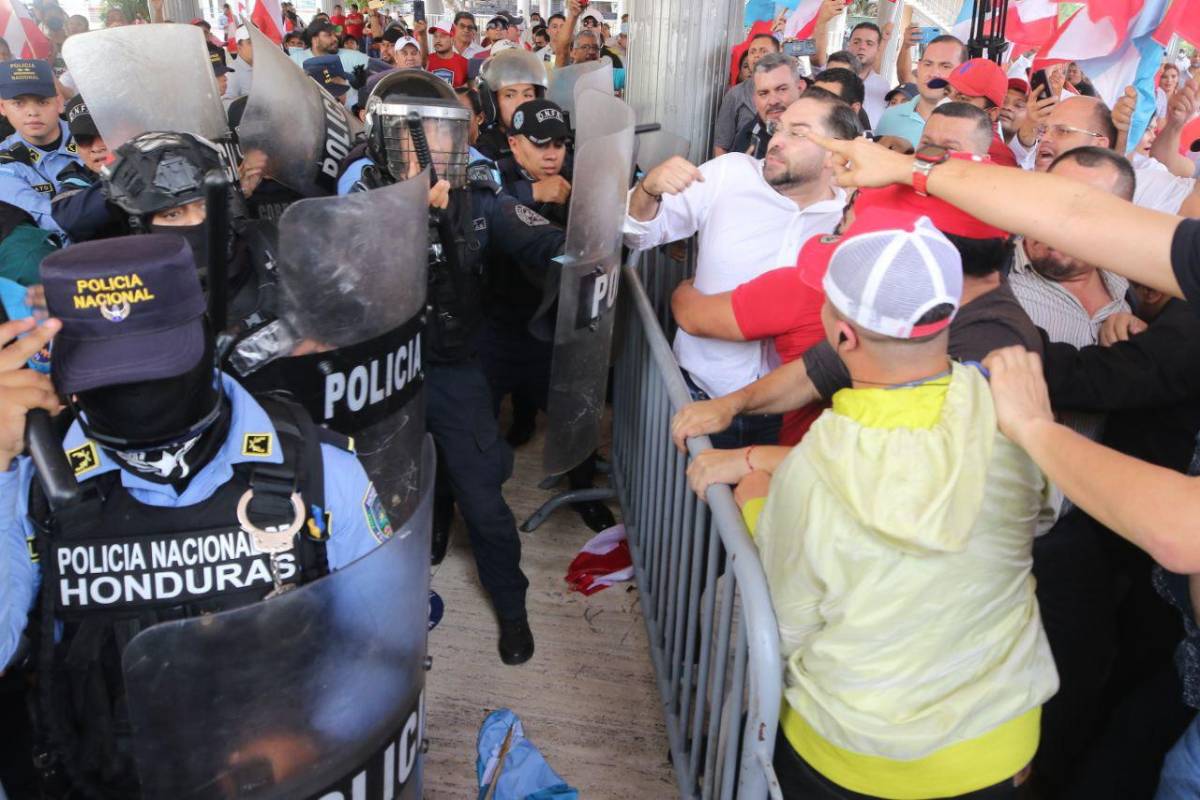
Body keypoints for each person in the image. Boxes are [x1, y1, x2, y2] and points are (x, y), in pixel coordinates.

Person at [0, 235, 394, 798]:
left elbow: (380, 645)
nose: (136, 393)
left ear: (204, 341)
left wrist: (319, 737)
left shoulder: (318, 469)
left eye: (154, 366)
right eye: (108, 376)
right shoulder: (30, 479)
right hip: (105, 775)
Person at [741, 207, 1056, 800]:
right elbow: (1042, 512)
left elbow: (786, 620)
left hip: (854, 753)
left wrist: (758, 504)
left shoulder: (813, 468)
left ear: (842, 335)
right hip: (997, 744)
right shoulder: (1015, 413)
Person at [341, 70, 571, 663]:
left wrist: (597, 236)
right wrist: (408, 217)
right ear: (383, 139)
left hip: (454, 367)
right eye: (414, 135)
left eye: (443, 134)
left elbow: (540, 242)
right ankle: (391, 599)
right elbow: (343, 278)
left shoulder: (479, 192)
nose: (431, 148)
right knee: (377, 500)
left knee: (486, 500)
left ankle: (513, 609)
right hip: (384, 376)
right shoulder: (359, 193)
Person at [625, 90, 854, 449]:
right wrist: (648, 189)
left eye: (798, 132)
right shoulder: (730, 174)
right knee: (687, 500)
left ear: (835, 153)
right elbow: (638, 234)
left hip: (796, 414)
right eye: (778, 128)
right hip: (700, 394)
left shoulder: (850, 222)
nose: (776, 140)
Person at [0, 59, 80, 237]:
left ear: (59, 103)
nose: (32, 112)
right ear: (2, 107)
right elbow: (45, 220)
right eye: (18, 103)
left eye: (42, 101)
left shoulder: (91, 139)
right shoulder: (4, 161)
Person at [874, 34, 966, 149]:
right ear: (919, 67)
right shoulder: (891, 116)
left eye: (945, 66)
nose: (933, 73)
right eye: (928, 64)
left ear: (963, 72)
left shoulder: (971, 125)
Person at [473, 48, 548, 161]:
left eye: (527, 95)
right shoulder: (486, 148)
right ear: (492, 101)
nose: (520, 103)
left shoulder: (549, 138)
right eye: (510, 95)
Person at [941, 57, 1019, 166]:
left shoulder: (998, 157)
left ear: (991, 114)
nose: (947, 103)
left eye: (963, 99)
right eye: (946, 93)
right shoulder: (938, 135)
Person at [713, 32, 780, 156]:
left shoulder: (787, 93)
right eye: (752, 52)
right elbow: (721, 145)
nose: (757, 56)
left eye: (763, 51)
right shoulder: (735, 94)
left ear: (778, 55)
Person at [731, 53, 803, 160]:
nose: (773, 101)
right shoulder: (747, 138)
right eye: (764, 93)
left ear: (800, 88)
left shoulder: (822, 132)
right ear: (755, 99)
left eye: (781, 89)